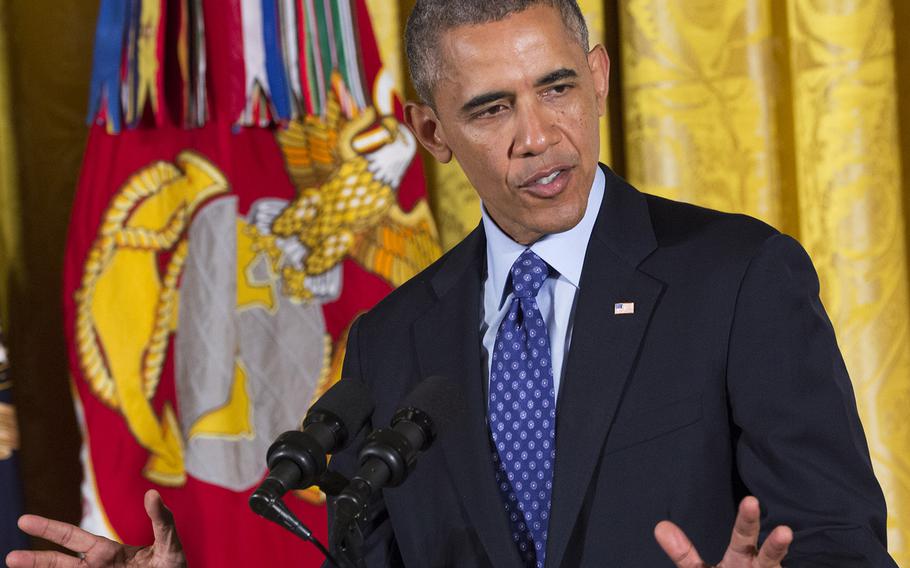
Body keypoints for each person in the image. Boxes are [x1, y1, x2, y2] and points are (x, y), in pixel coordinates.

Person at [6, 1, 898, 567]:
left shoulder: (738, 278)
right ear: (431, 132)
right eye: (491, 108)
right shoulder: (393, 340)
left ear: (597, 79)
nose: (538, 136)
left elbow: (843, 543)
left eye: (556, 88)